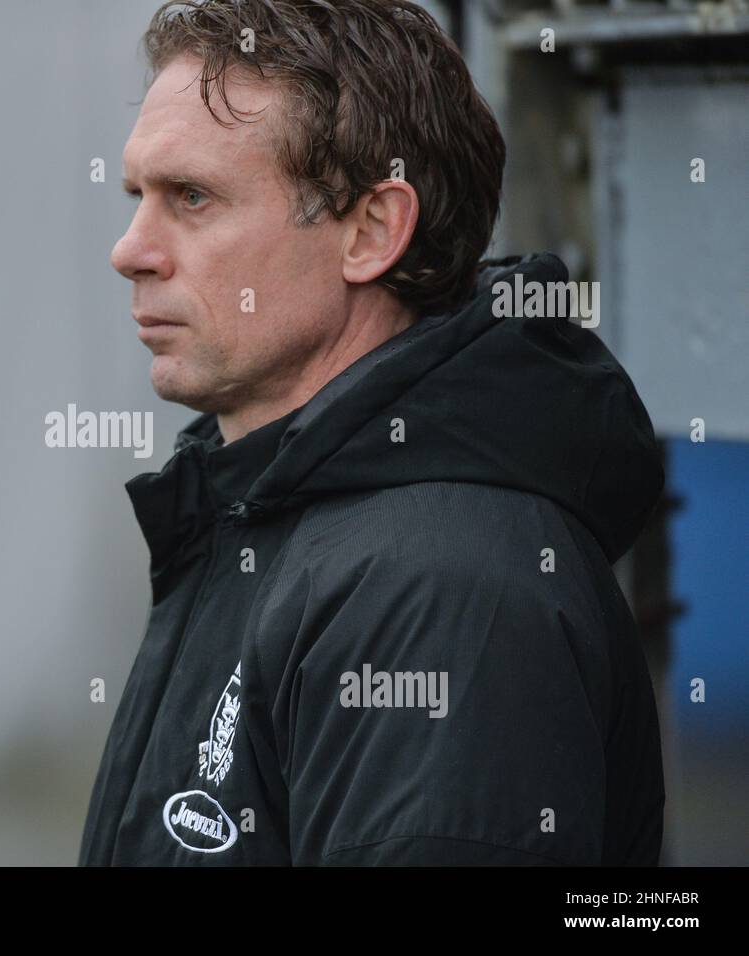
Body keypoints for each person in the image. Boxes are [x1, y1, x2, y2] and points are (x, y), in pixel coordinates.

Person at [77, 0, 665, 865]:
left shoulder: (439, 589)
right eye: (138, 196)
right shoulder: (260, 502)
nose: (130, 249)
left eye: (192, 197)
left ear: (373, 230)